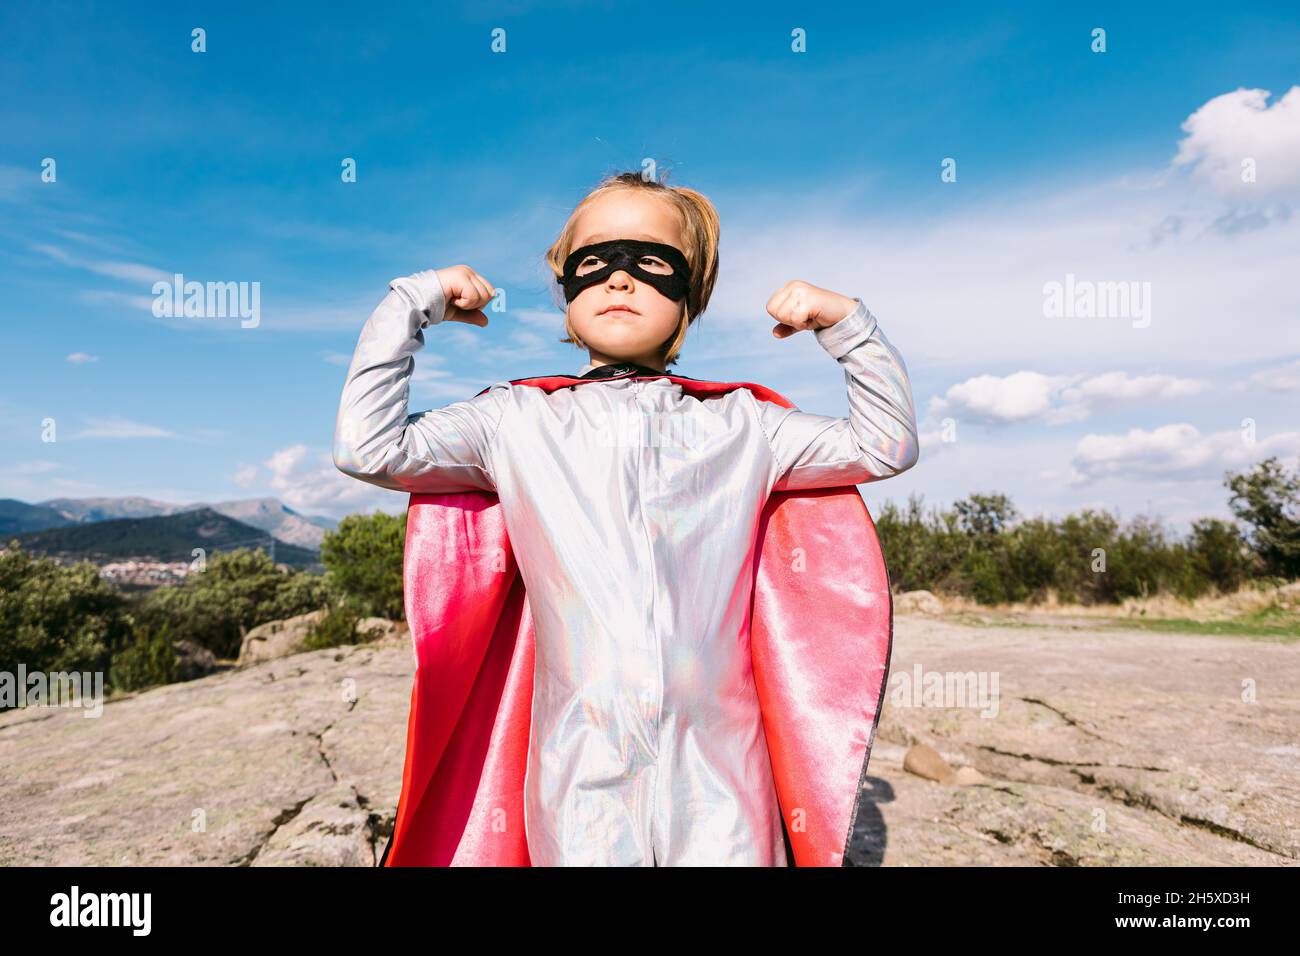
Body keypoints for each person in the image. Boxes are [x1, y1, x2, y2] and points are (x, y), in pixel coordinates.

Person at [333, 171, 920, 866]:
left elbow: (885, 444)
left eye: (649, 262)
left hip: (724, 771)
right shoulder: (512, 420)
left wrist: (849, 327)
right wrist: (414, 302)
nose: (619, 280)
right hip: (578, 768)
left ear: (689, 292)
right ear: (567, 291)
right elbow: (368, 446)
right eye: (596, 262)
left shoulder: (746, 425)